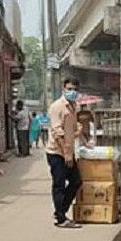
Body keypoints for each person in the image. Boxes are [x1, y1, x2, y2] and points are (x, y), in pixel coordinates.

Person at [46, 77, 83, 228]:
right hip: (57, 152)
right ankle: (60, 219)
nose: (72, 92)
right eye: (69, 89)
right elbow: (57, 132)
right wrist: (67, 153)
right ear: (63, 88)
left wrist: (80, 134)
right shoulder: (57, 107)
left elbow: (72, 129)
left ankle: (60, 211)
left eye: (74, 89)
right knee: (59, 184)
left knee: (76, 181)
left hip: (69, 150)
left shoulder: (74, 107)